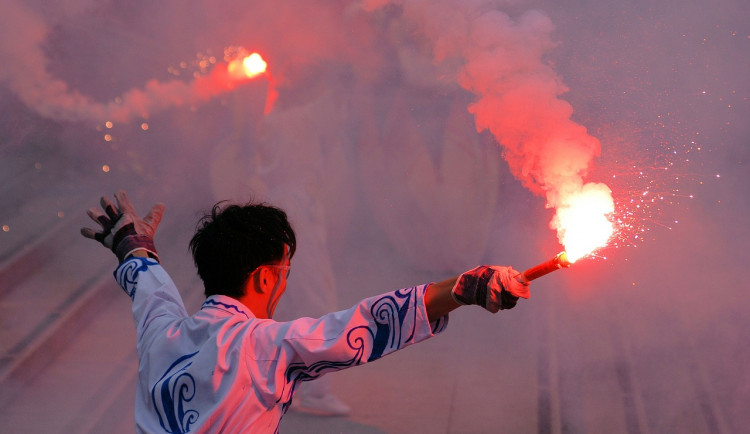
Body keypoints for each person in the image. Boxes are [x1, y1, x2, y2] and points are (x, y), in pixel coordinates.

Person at [81, 190, 530, 433]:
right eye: (285, 269)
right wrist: (468, 286)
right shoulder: (266, 348)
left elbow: (150, 288)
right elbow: (367, 321)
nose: (285, 280)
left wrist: (131, 244)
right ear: (262, 277)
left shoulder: (163, 335)